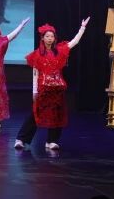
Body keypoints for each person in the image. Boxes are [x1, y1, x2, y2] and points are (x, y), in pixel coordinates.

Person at [16, 18, 90, 151]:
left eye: (52, 36)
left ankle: (52, 141)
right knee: (36, 113)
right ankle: (21, 139)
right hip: (43, 88)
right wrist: (34, 91)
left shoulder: (60, 51)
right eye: (47, 36)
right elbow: (35, 74)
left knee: (56, 114)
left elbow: (74, 41)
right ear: (42, 38)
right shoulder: (37, 54)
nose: (50, 38)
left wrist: (82, 28)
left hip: (57, 89)